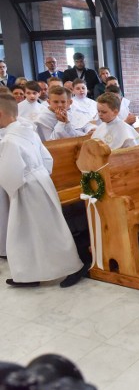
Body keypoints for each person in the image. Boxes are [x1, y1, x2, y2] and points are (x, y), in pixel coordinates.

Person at [0, 94, 85, 288]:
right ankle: (30, 273)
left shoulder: (9, 141)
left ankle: (72, 267)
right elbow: (47, 159)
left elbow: (9, 173)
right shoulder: (27, 131)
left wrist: (15, 190)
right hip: (40, 181)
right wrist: (40, 176)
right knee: (32, 231)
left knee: (41, 230)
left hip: (26, 188)